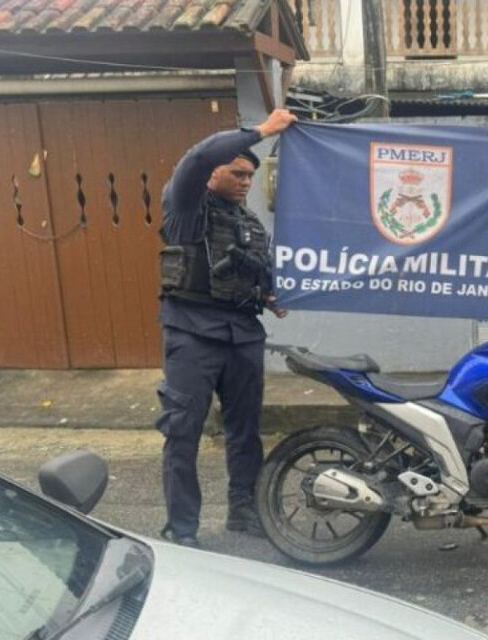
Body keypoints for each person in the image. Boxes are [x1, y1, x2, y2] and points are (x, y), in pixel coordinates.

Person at [155, 108, 297, 548]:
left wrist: (268, 296)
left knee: (245, 432)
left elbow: (254, 273)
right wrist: (261, 132)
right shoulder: (186, 205)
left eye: (251, 177)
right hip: (193, 333)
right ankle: (183, 529)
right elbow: (198, 157)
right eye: (236, 172)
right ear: (214, 172)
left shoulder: (248, 222)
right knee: (183, 433)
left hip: (242, 334)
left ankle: (244, 511)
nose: (244, 182)